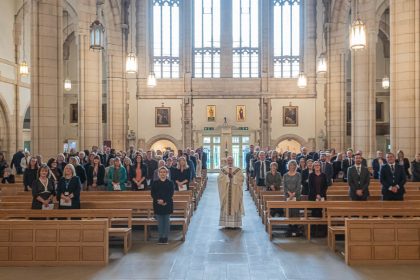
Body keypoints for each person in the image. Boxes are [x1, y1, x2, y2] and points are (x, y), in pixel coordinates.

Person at [217, 156, 244, 229]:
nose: (230, 161)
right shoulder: (223, 170)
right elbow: (219, 179)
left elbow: (241, 179)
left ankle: (235, 224)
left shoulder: (238, 170)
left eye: (231, 160)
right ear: (226, 161)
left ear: (233, 161)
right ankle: (226, 224)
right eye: (228, 160)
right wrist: (227, 177)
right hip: (226, 191)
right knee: (226, 205)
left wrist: (234, 177)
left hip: (235, 191)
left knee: (235, 203)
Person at [151, 166, 175, 245]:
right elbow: (153, 194)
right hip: (157, 204)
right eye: (161, 172)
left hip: (167, 204)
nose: (162, 174)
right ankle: (161, 237)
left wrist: (164, 201)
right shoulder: (155, 183)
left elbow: (170, 194)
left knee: (166, 222)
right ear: (158, 174)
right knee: (160, 222)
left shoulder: (170, 183)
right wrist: (159, 201)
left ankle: (166, 237)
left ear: (167, 173)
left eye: (164, 172)